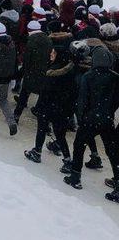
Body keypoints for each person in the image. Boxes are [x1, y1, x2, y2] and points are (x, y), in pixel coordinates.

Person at [63, 45, 119, 192]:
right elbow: (116, 100)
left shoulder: (88, 76)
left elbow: (82, 100)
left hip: (90, 119)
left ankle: (75, 177)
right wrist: (109, 112)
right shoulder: (115, 78)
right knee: (112, 151)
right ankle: (118, 183)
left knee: (79, 146)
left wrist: (82, 117)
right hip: (107, 119)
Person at [24, 47, 76, 166]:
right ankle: (67, 159)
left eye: (53, 52)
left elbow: (45, 91)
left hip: (47, 106)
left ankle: (37, 152)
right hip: (61, 108)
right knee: (60, 135)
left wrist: (39, 107)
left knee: (41, 130)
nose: (51, 54)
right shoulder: (69, 71)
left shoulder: (52, 71)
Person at [14, 21, 52, 121]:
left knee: (24, 94)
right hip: (45, 72)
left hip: (31, 72)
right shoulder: (48, 39)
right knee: (42, 96)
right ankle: (43, 119)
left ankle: (17, 115)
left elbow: (27, 59)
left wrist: (23, 71)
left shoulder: (31, 40)